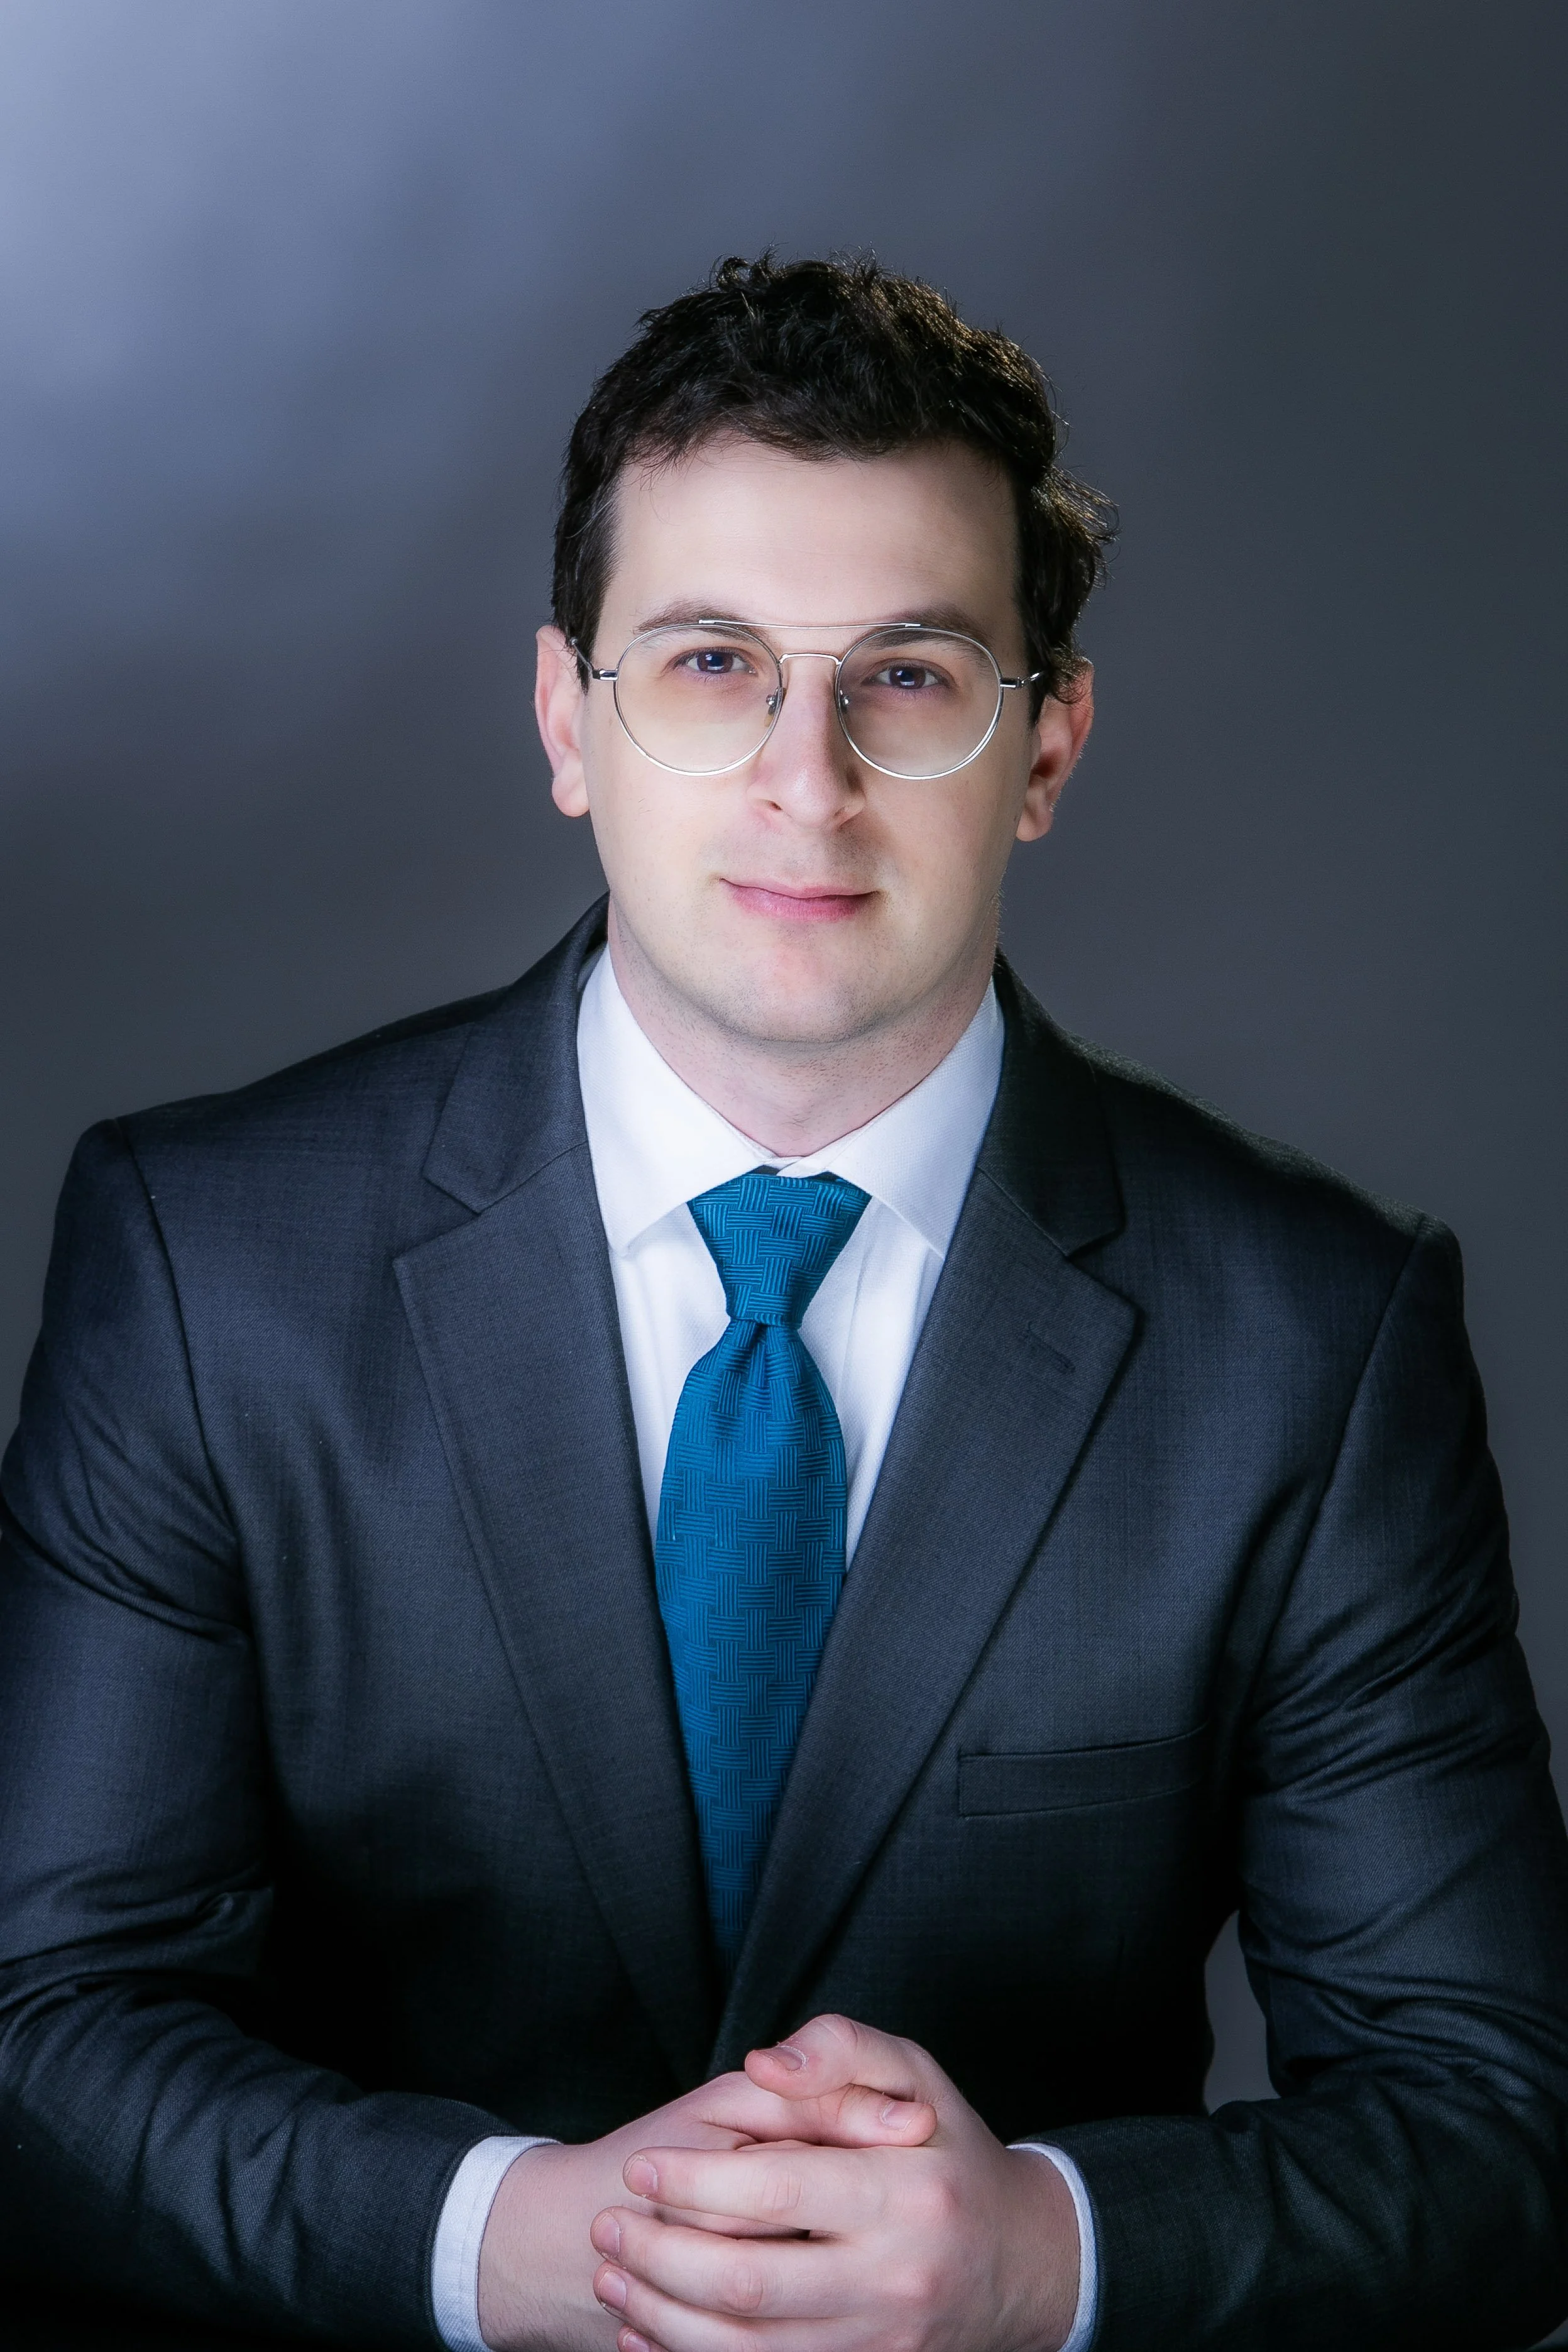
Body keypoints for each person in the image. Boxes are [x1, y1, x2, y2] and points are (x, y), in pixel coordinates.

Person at [1, 253, 1565, 2352]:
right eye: (711, 660)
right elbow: (40, 2025)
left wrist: (1041, 2253)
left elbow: (1495, 2133)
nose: (805, 782)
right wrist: (501, 2237)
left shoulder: (1309, 1341)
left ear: (1047, 746)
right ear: (569, 719)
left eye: (909, 675)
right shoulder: (206, 1261)